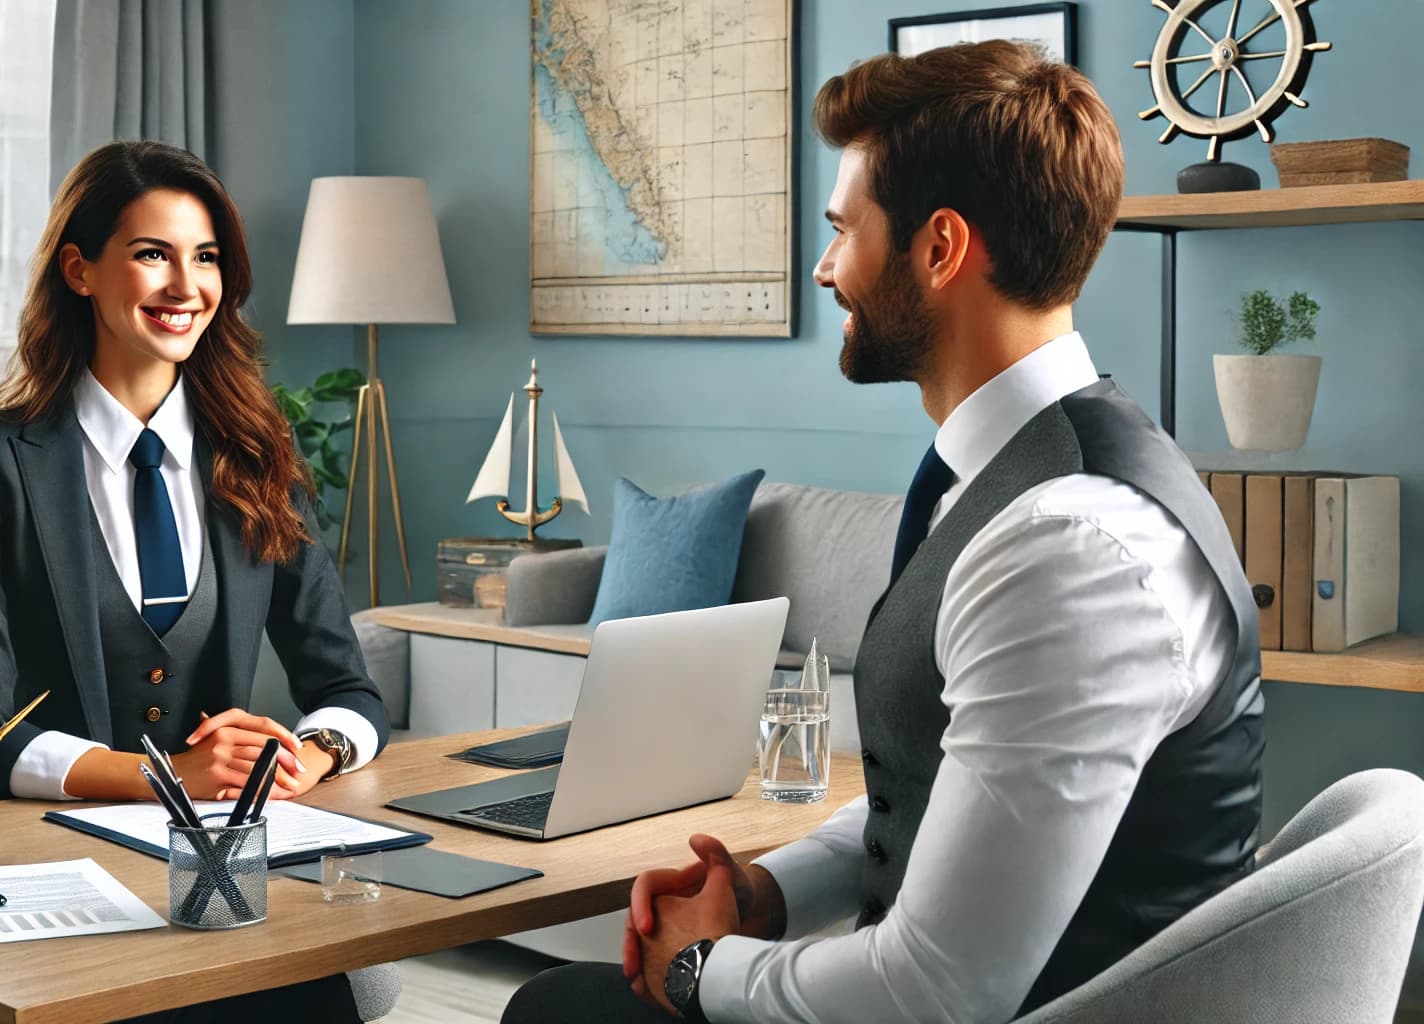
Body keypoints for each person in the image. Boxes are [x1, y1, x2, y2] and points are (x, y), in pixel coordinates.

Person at [503, 40, 1264, 1024]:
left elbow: (936, 990)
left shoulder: (1068, 544)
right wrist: (769, 890)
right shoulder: (1007, 479)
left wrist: (699, 973)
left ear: (939, 248)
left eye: (842, 231)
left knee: (558, 1010)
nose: (826, 269)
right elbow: (957, 792)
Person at [0, 140, 388, 1021]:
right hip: (53, 870)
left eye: (206, 257)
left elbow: (346, 687)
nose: (187, 286)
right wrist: (171, 774)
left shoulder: (258, 449)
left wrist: (306, 756)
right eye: (152, 254)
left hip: (230, 877)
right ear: (80, 270)